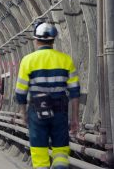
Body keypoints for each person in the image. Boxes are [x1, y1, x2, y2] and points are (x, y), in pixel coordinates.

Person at [15, 22, 80, 169]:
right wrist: (75, 118)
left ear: (36, 40)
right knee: (61, 152)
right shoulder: (65, 60)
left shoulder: (28, 60)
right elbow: (75, 92)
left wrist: (23, 114)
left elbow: (20, 92)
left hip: (37, 112)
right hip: (60, 112)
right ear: (53, 40)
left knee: (39, 154)